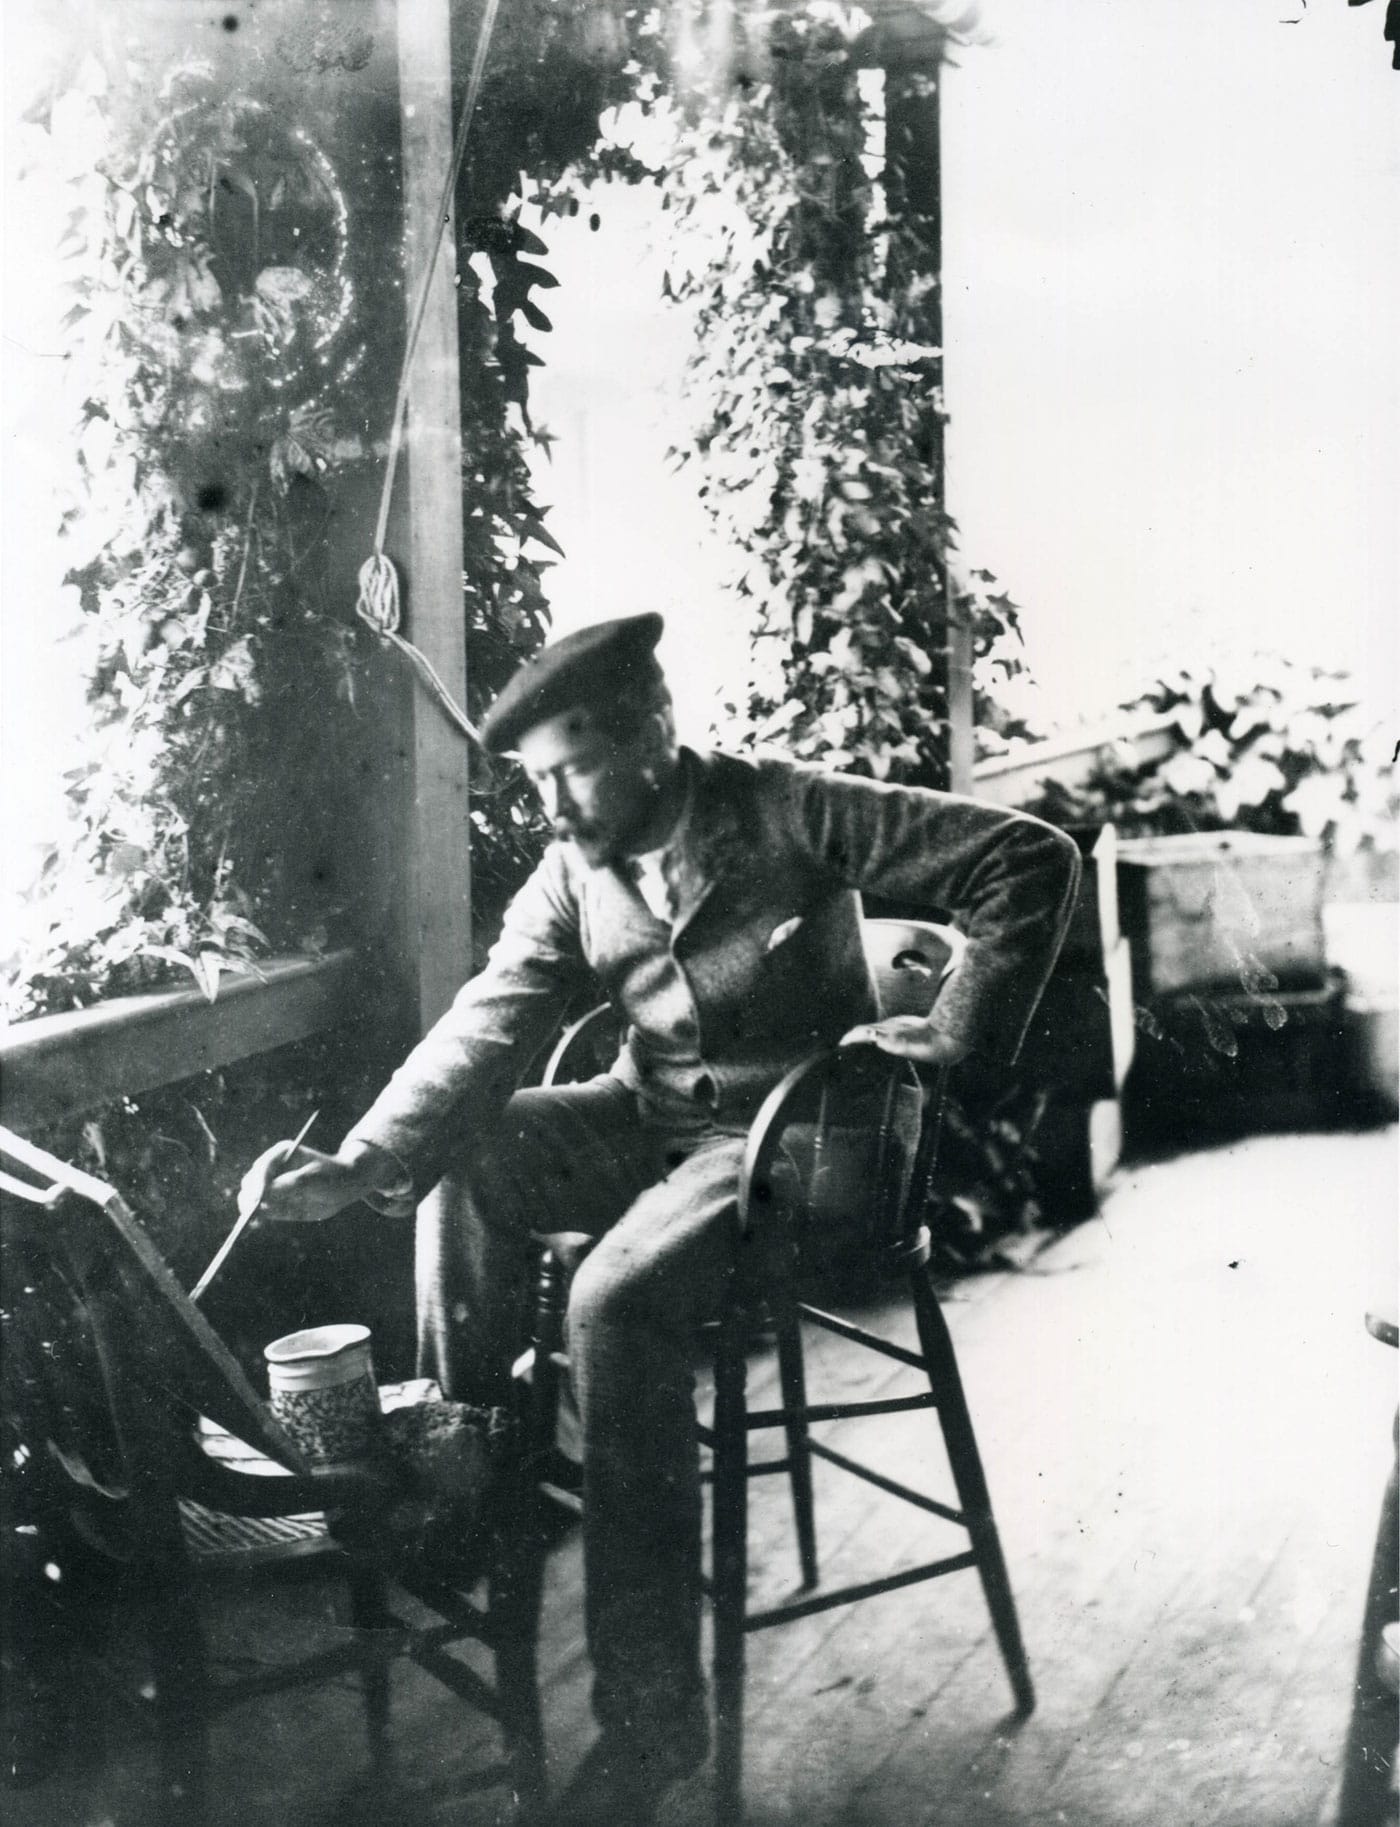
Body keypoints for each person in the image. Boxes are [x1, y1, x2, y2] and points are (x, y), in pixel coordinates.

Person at [242, 611, 1081, 1823]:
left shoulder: (787, 808)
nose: (556, 807)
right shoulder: (573, 866)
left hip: (803, 1143)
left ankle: (649, 1727)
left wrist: (958, 1028)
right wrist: (364, 1157)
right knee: (464, 1167)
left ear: (652, 734)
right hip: (654, 1120)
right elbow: (492, 1014)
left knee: (616, 1300)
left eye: (572, 769)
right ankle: (473, 1480)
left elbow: (1027, 858)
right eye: (537, 780)